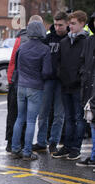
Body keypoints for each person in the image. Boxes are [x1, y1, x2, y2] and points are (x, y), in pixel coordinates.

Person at [10, 21, 52, 161]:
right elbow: (47, 72)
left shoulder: (22, 47)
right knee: (31, 121)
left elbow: (17, 67)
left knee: (19, 118)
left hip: (21, 86)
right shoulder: (45, 49)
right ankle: (27, 152)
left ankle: (15, 149)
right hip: (35, 87)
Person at [52, 10, 88, 161]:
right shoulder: (65, 42)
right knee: (69, 117)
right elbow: (59, 62)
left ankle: (75, 147)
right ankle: (67, 145)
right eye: (70, 23)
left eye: (73, 24)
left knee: (79, 118)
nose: (70, 27)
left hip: (78, 86)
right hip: (65, 85)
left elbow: (86, 64)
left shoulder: (87, 41)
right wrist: (62, 75)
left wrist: (78, 78)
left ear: (82, 24)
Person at [6, 15, 44, 152]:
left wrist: (11, 80)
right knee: (29, 119)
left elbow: (12, 62)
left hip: (18, 83)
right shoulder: (43, 44)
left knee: (16, 116)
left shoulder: (20, 39)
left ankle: (13, 145)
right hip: (33, 85)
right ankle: (24, 148)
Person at [33, 12, 69, 154]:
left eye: (61, 25)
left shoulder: (68, 39)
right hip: (47, 79)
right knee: (43, 113)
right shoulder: (48, 38)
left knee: (59, 115)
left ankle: (54, 141)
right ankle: (42, 141)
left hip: (62, 81)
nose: (58, 27)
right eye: (56, 24)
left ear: (66, 24)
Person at [76, 11, 95, 168]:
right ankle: (94, 155)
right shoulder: (89, 41)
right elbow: (82, 61)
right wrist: (83, 75)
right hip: (90, 87)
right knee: (92, 122)